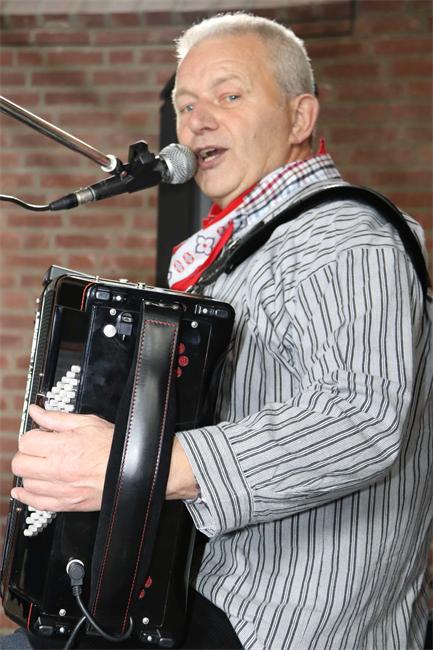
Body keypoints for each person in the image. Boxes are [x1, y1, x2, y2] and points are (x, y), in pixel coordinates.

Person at [2, 11, 432, 650]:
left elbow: (361, 420)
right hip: (209, 594)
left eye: (229, 96)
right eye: (185, 104)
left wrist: (131, 467)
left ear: (299, 118)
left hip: (279, 622)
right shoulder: (248, 246)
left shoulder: (343, 237)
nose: (198, 121)